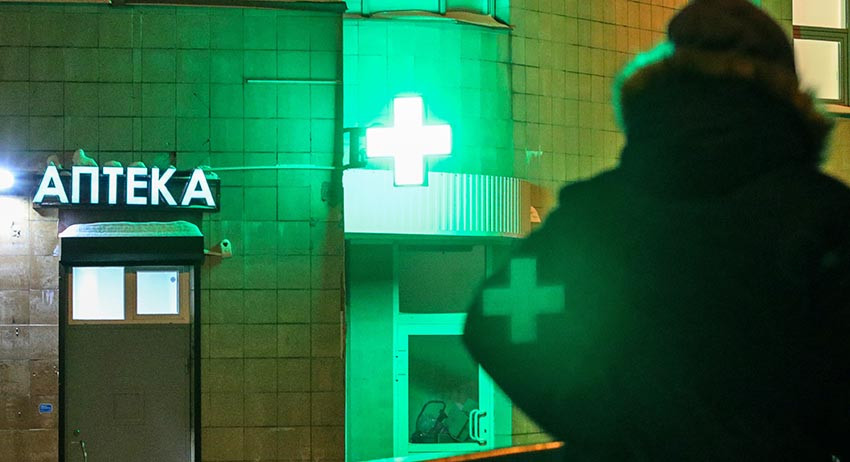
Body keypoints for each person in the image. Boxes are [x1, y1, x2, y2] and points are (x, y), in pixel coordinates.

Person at [463, 0, 850, 460]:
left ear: (661, 91)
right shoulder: (823, 216)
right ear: (787, 96)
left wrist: (601, 427)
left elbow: (498, 321)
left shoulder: (596, 215)